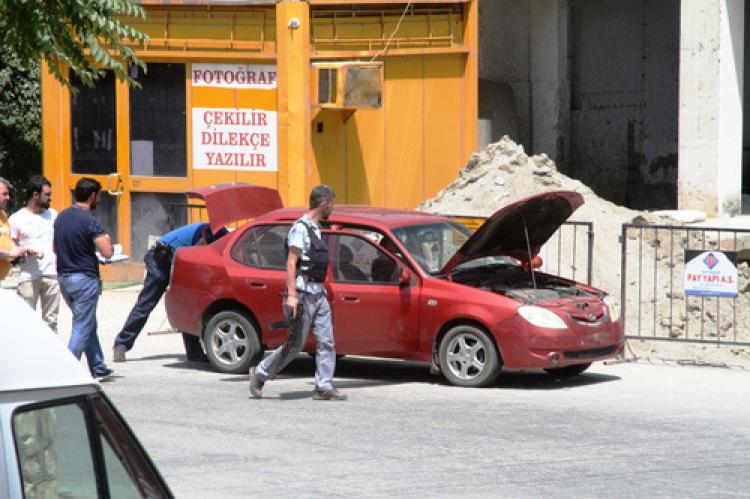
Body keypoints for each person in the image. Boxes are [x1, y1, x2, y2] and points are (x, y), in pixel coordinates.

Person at [249, 184, 347, 401]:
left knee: (327, 341)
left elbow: (318, 263)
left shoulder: (315, 227)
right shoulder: (300, 228)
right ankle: (260, 374)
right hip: (302, 295)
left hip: (318, 295)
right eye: (331, 203)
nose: (332, 208)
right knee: (294, 346)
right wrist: (292, 295)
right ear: (323, 203)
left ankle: (323, 386)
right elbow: (291, 263)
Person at [112, 222, 228, 363]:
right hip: (161, 257)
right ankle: (121, 344)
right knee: (147, 302)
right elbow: (185, 260)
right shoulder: (203, 231)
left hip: (176, 258)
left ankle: (194, 352)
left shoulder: (223, 235)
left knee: (188, 303)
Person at [54, 177, 114, 379]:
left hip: (64, 278)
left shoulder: (61, 217)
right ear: (92, 196)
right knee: (82, 325)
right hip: (84, 280)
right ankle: (66, 371)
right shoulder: (90, 220)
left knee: (87, 322)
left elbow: (56, 248)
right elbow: (107, 252)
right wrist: (108, 241)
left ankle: (98, 365)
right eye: (99, 196)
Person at [9, 175, 59, 332]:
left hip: (52, 275)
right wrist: (23, 252)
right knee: (26, 322)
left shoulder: (53, 215)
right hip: (28, 277)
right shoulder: (17, 218)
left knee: (51, 322)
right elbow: (10, 248)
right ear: (35, 195)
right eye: (47, 194)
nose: (50, 198)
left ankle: (50, 355)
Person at [0, 177, 32, 283]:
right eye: (4, 194)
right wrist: (10, 253)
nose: (8, 197)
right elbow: (9, 252)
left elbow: (7, 240)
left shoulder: (3, 215)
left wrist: (21, 250)